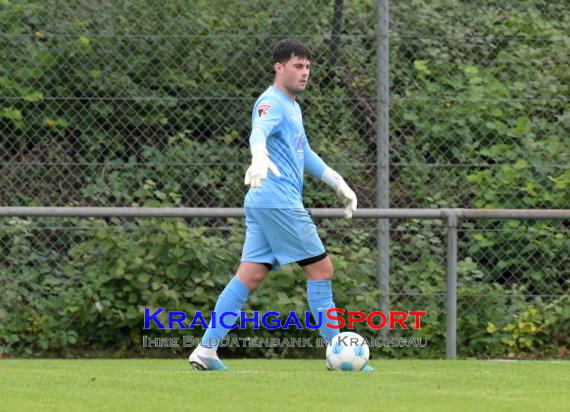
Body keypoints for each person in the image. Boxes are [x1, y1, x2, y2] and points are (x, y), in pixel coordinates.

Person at [189, 38, 372, 371]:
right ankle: (338, 354)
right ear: (279, 67)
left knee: (250, 275)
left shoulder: (293, 105)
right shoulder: (271, 102)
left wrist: (337, 181)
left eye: (308, 67)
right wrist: (258, 155)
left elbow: (305, 153)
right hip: (278, 202)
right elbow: (259, 130)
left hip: (263, 203)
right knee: (321, 269)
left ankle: (206, 350)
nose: (304, 73)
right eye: (297, 66)